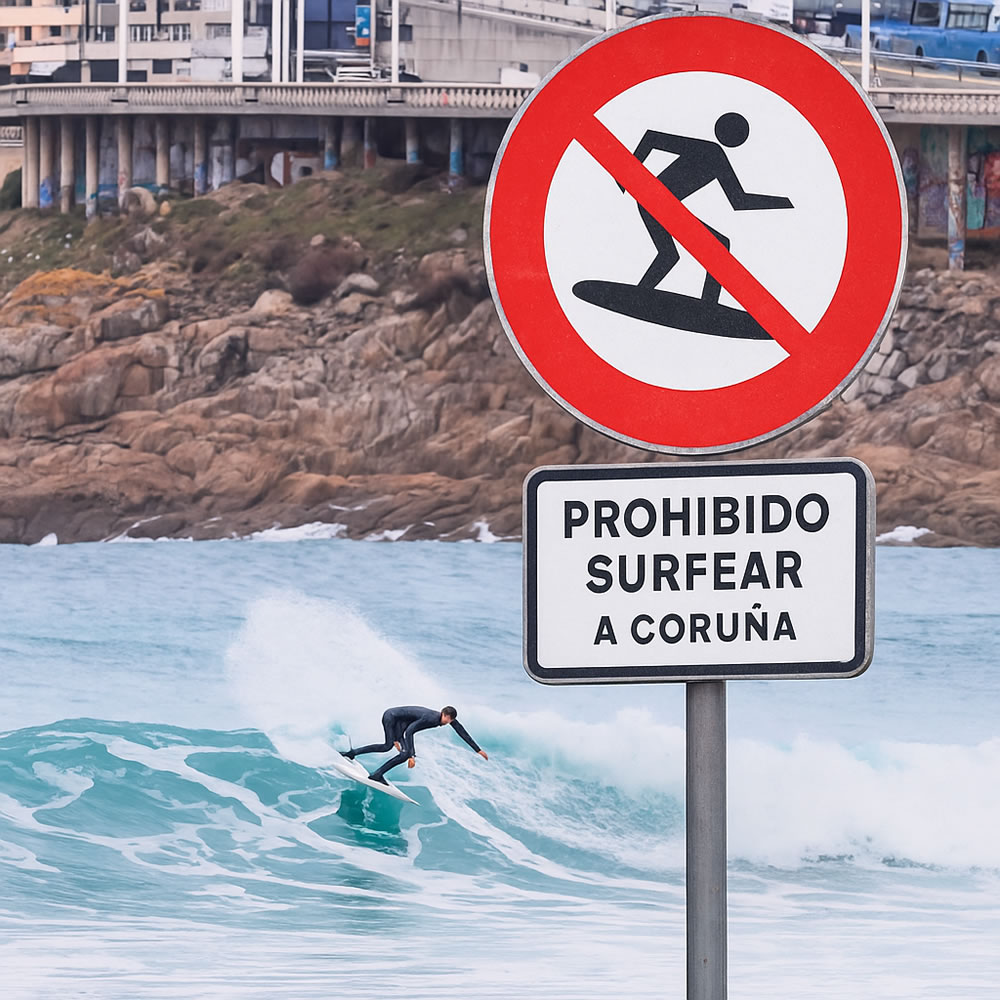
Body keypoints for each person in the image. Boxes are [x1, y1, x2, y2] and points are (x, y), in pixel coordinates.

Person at [625, 112, 794, 302]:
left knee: (670, 255)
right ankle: (707, 304)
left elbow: (739, 201)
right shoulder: (710, 151)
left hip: (656, 203)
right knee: (716, 247)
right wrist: (626, 174)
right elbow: (652, 137)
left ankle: (640, 294)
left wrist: (784, 202)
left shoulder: (714, 154)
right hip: (660, 202)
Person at [344, 705, 488, 784]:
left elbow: (461, 731)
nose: (447, 722)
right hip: (391, 717)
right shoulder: (431, 718)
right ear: (442, 713)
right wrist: (411, 755)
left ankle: (352, 754)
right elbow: (410, 732)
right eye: (446, 718)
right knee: (396, 750)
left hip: (399, 722)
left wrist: (478, 750)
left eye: (450, 720)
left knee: (390, 748)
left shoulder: (448, 720)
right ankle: (376, 775)